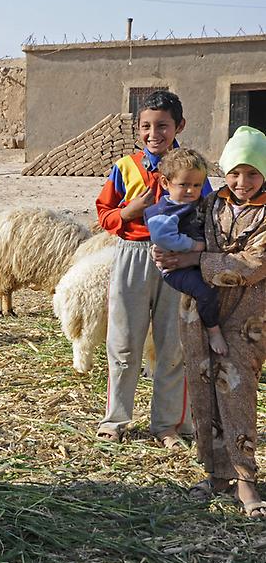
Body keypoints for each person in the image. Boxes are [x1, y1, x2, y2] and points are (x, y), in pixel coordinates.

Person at [154, 126, 266, 518]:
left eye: (252, 173)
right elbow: (177, 228)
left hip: (248, 315)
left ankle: (245, 479)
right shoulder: (210, 203)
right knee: (203, 388)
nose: (242, 181)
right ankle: (215, 472)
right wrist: (166, 253)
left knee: (236, 390)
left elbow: (254, 265)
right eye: (235, 172)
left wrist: (194, 261)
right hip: (198, 311)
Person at [94, 90, 212, 448]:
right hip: (132, 255)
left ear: (179, 126)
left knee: (173, 344)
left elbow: (208, 219)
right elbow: (104, 215)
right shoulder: (125, 167)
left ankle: (168, 424)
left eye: (162, 125)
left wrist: (193, 257)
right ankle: (116, 419)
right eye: (146, 126)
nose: (153, 133)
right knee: (124, 340)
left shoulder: (192, 170)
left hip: (177, 262)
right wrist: (130, 212)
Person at [143, 148, 227, 355]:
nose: (191, 190)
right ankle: (213, 329)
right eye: (184, 185)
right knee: (204, 292)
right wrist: (194, 246)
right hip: (175, 269)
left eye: (197, 185)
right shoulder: (164, 212)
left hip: (196, 261)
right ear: (165, 183)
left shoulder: (198, 203)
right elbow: (163, 238)